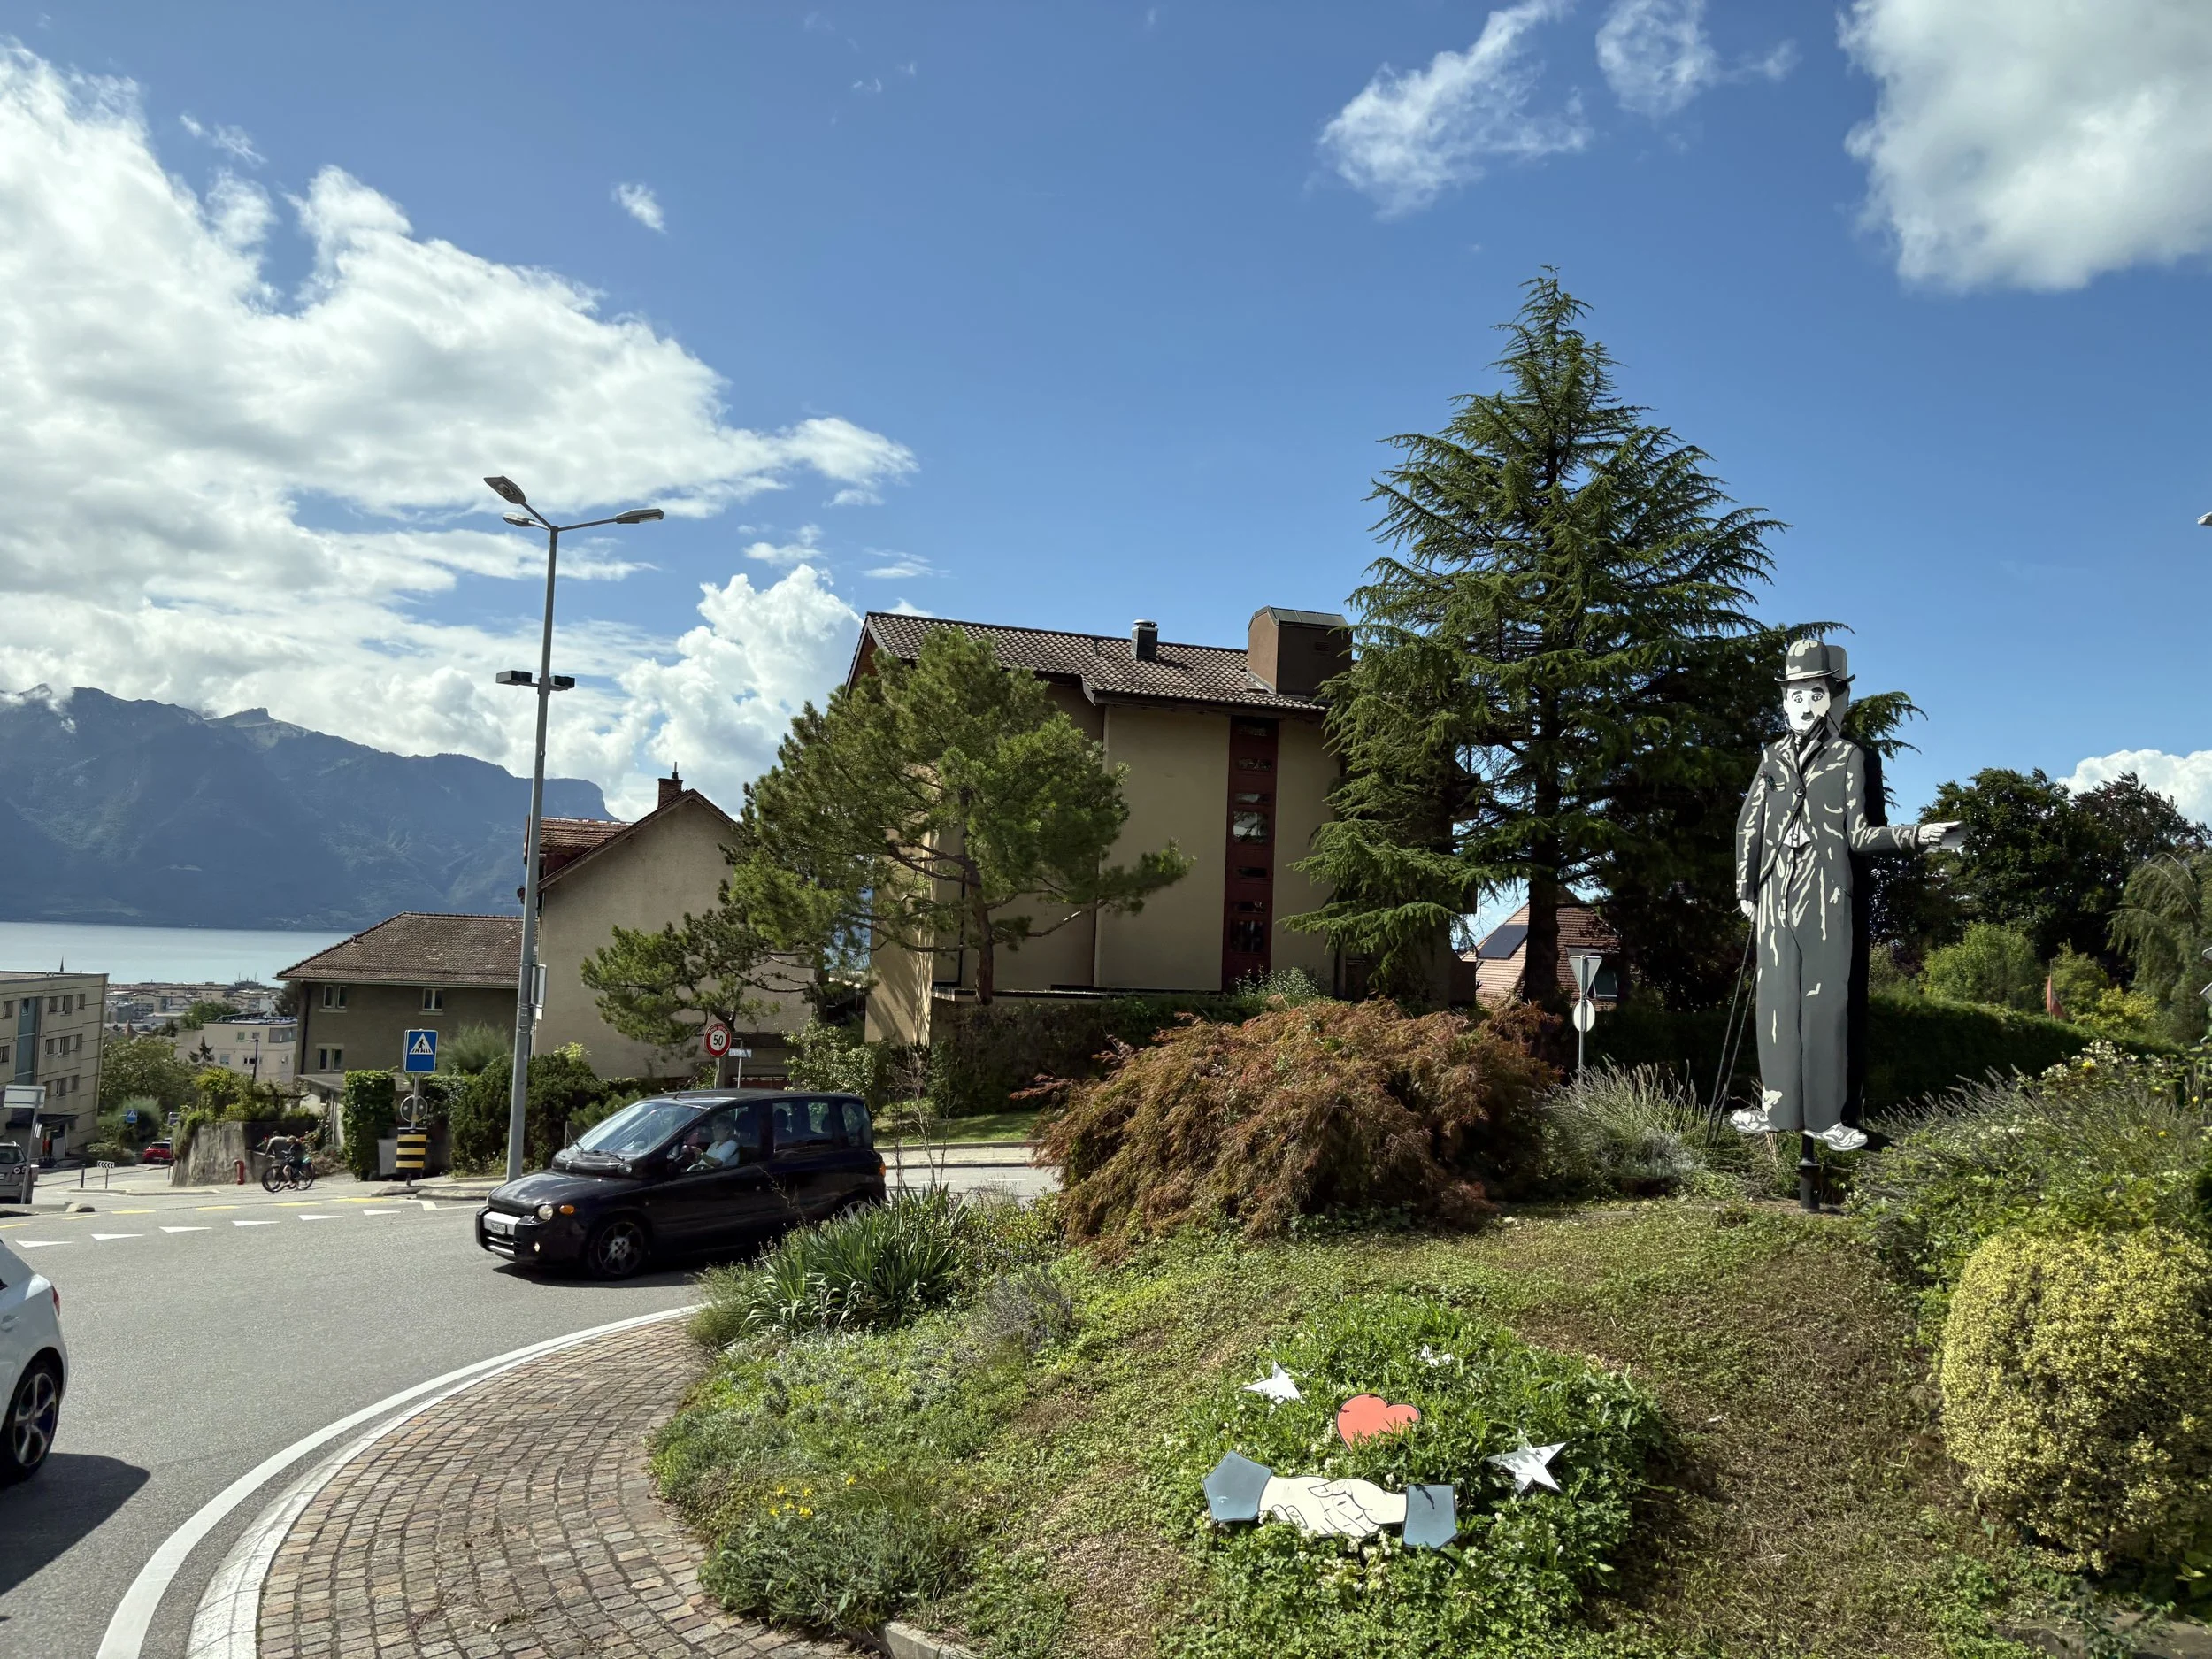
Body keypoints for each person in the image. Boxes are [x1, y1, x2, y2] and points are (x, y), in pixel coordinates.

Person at [1732, 641, 1962, 1151]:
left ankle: (1826, 1118)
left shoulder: (1849, 757)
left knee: (1826, 1005)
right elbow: (1751, 821)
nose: (1800, 705)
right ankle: (1778, 1108)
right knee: (1774, 1003)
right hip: (1776, 887)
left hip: (1826, 890)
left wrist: (1916, 834)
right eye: (1793, 695)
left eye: (1812, 694)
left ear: (1836, 697)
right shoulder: (1771, 756)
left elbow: (1860, 833)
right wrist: (1746, 884)